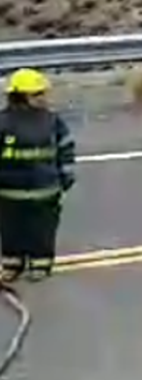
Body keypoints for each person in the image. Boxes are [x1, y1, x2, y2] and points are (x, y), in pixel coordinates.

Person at [0, 69, 75, 283]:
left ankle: (40, 263)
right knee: (11, 230)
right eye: (37, 94)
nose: (43, 98)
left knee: (41, 230)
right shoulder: (2, 122)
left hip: (45, 190)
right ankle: (12, 263)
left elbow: (65, 148)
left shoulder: (52, 121)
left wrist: (66, 176)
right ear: (21, 96)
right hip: (9, 192)